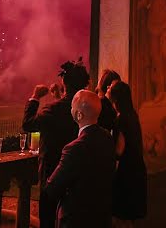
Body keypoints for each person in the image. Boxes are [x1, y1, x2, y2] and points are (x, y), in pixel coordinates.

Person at [23, 58, 90, 228]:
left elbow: (28, 124)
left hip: (52, 174)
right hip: (79, 177)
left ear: (64, 83)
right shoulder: (89, 110)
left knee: (49, 218)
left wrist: (35, 97)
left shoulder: (52, 110)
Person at [44, 90, 115, 228]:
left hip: (76, 219)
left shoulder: (73, 148)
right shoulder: (107, 137)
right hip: (101, 216)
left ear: (79, 115)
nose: (70, 109)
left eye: (72, 107)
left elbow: (52, 189)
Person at [107, 80, 147, 226]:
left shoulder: (121, 119)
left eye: (110, 87)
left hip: (126, 173)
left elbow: (119, 149)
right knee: (129, 218)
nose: (107, 88)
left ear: (115, 97)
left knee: (121, 217)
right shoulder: (132, 114)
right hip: (137, 169)